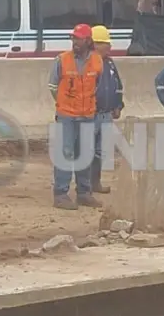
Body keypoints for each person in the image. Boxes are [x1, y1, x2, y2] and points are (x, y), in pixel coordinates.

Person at [48, 24, 102, 210]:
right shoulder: (62, 60)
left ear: (88, 41)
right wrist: (65, 106)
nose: (75, 42)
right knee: (66, 154)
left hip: (87, 115)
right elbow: (53, 86)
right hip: (67, 115)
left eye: (78, 39)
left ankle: (84, 193)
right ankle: (61, 194)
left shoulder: (97, 61)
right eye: (73, 38)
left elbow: (99, 86)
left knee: (84, 154)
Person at [90, 25, 123, 195]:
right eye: (101, 43)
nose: (106, 47)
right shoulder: (86, 63)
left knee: (100, 151)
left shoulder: (110, 63)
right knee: (87, 151)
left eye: (106, 44)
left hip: (106, 114)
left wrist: (118, 105)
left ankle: (95, 182)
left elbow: (117, 85)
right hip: (90, 114)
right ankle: (85, 186)